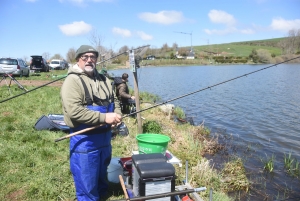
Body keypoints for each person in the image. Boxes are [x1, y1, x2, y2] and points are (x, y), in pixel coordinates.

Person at [60, 45, 122, 201]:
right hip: (85, 140)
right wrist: (104, 118)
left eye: (92, 57)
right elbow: (75, 111)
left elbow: (115, 101)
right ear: (78, 60)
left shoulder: (105, 80)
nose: (89, 60)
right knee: (86, 180)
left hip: (105, 139)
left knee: (102, 173)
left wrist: (117, 116)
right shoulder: (72, 81)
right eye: (85, 57)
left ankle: (102, 194)